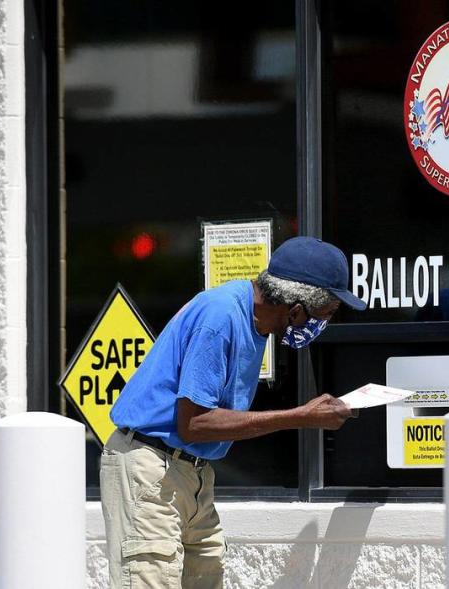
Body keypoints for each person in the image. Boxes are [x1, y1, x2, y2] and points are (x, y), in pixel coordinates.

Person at [100, 236, 367, 588]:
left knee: (206, 577)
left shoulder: (254, 320)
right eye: (326, 314)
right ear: (297, 309)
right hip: (151, 467)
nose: (324, 325)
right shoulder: (221, 315)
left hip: (191, 471)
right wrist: (300, 417)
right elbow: (194, 422)